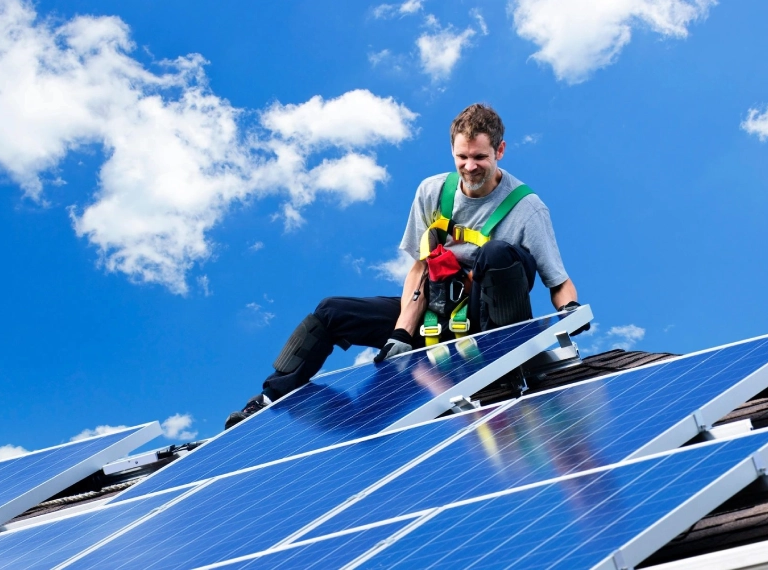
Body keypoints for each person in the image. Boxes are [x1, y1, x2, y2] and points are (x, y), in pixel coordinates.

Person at [224, 103, 585, 429]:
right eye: (462, 157)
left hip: (487, 324)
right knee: (331, 312)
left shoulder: (527, 208)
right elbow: (419, 266)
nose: (470, 166)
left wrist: (569, 312)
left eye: (480, 157)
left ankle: (503, 367)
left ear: (500, 151)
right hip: (434, 315)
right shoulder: (431, 192)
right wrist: (401, 332)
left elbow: (559, 282)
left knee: (498, 254)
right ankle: (270, 399)